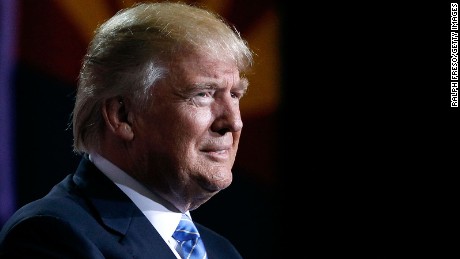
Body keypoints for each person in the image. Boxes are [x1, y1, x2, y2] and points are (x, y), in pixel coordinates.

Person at [0, 1, 253, 258]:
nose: (233, 122)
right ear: (123, 116)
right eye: (203, 94)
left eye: (234, 95)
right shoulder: (53, 235)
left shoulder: (221, 251)